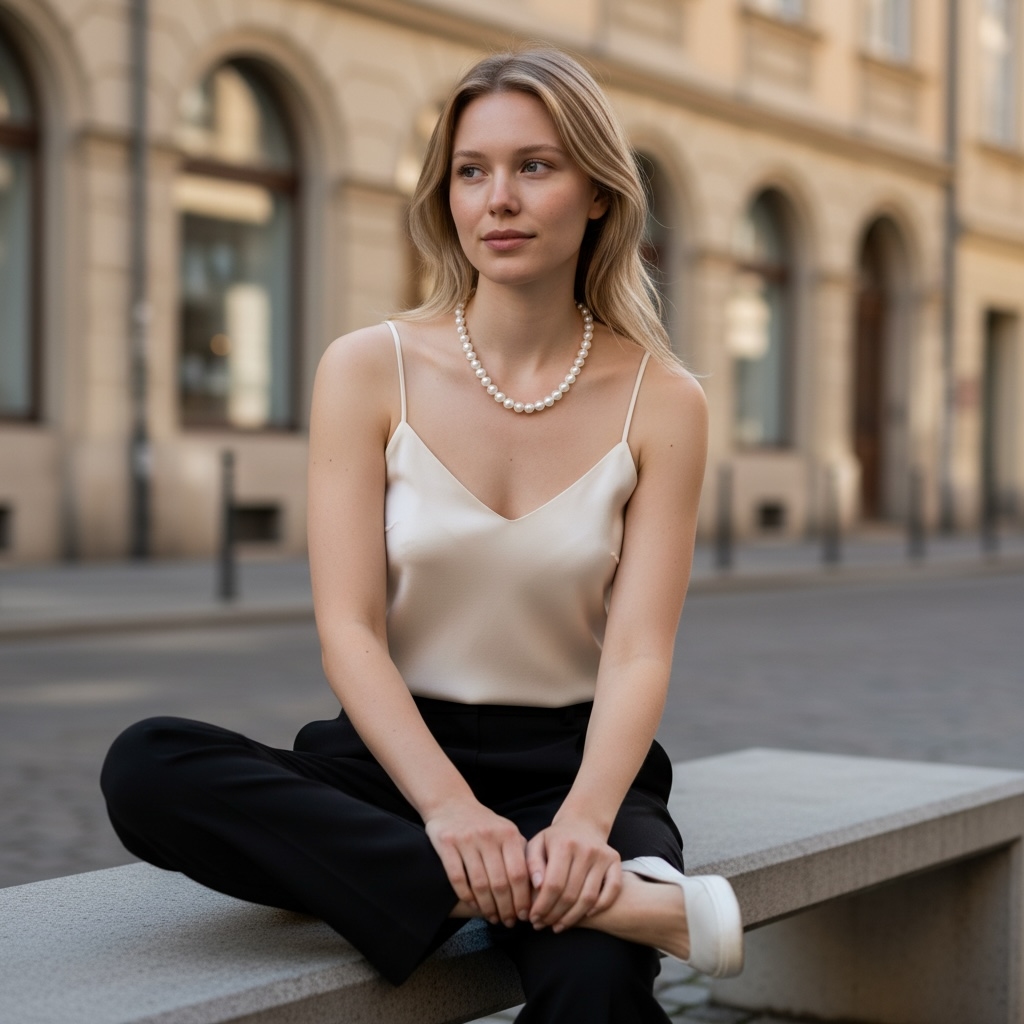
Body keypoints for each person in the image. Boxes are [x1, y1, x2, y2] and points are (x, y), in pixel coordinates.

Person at [100, 46, 743, 1023]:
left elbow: (639, 649)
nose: (499, 199)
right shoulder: (367, 367)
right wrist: (446, 813)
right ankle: (611, 903)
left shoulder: (666, 400)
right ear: (445, 195)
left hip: (571, 769)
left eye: (536, 166)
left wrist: (580, 822)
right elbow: (348, 630)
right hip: (389, 765)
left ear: (599, 194)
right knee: (147, 764)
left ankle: (551, 886)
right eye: (471, 171)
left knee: (596, 995)